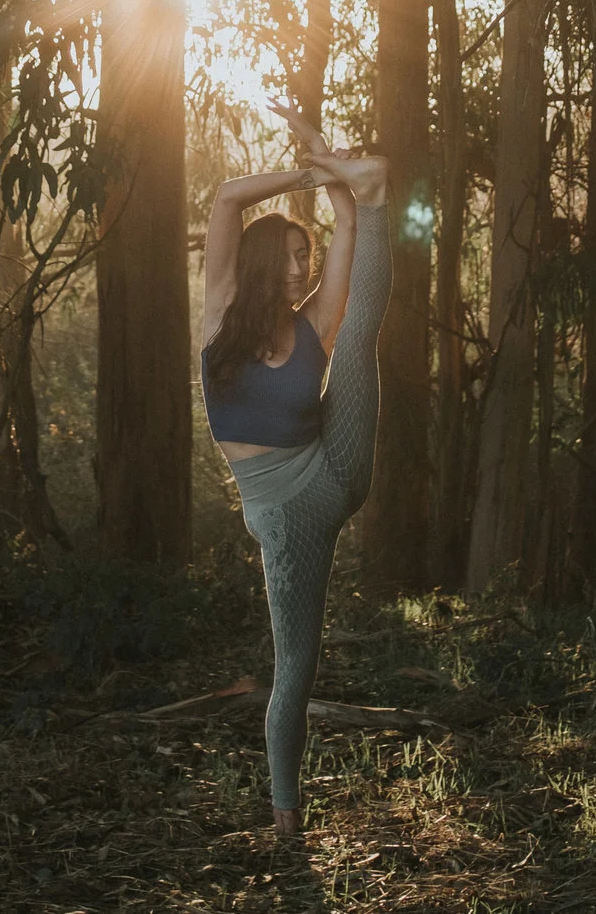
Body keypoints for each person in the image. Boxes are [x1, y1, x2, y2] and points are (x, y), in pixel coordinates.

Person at [199, 103, 390, 840]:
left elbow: (343, 238)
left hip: (337, 466)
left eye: (306, 259)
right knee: (297, 666)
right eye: (291, 255)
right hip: (288, 517)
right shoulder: (219, 317)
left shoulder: (312, 325)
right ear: (259, 261)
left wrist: (344, 189)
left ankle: (375, 189)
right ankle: (286, 814)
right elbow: (224, 197)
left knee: (361, 330)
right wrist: (303, 169)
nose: (303, 266)